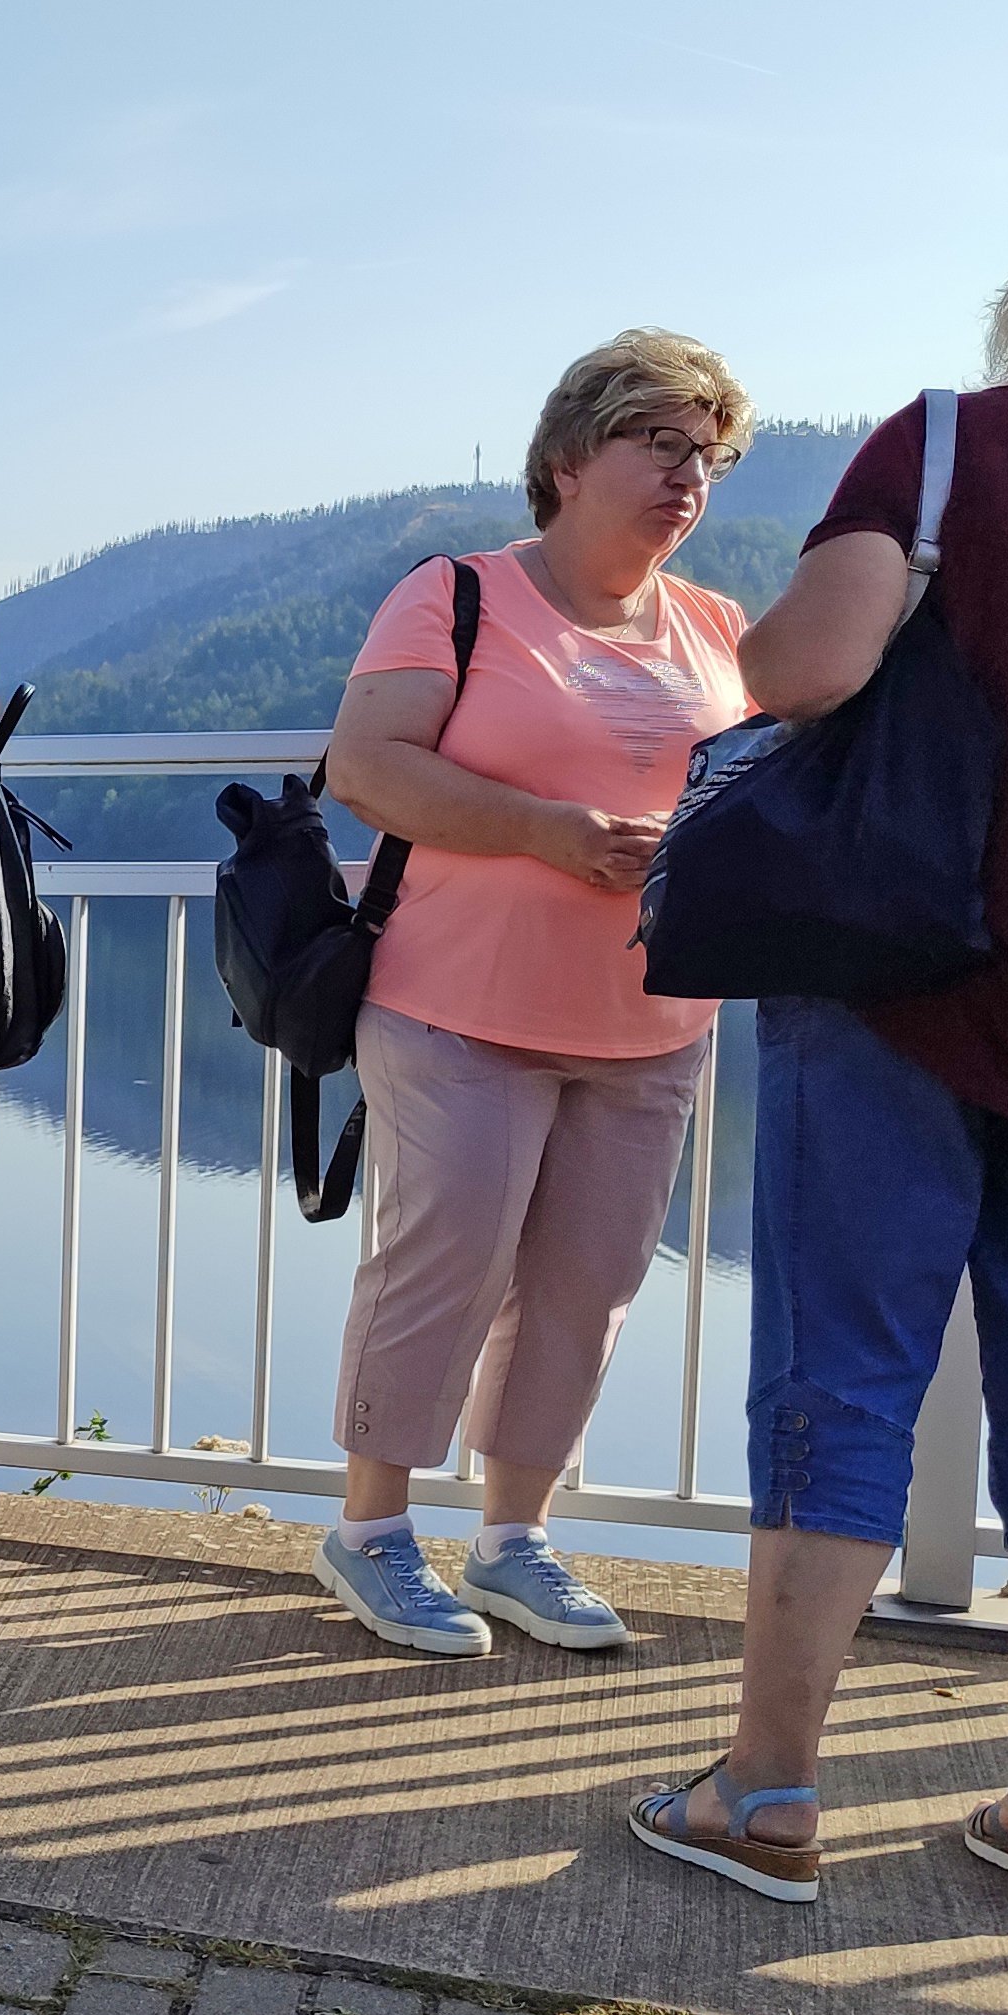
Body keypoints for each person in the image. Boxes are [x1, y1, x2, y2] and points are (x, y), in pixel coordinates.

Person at [634, 174, 1008, 1920]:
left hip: (905, 980)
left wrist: (777, 628)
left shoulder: (951, 447)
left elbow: (805, 669)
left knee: (841, 1377)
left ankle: (766, 1790)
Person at [310, 336, 757, 1659]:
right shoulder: (457, 595)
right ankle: (373, 1532)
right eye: (662, 443)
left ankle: (515, 1543)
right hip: (461, 1003)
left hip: (651, 1021)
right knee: (441, 1266)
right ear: (571, 459)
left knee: (589, 1284)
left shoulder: (720, 628)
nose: (690, 474)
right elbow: (369, 766)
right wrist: (549, 832)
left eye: (710, 453)